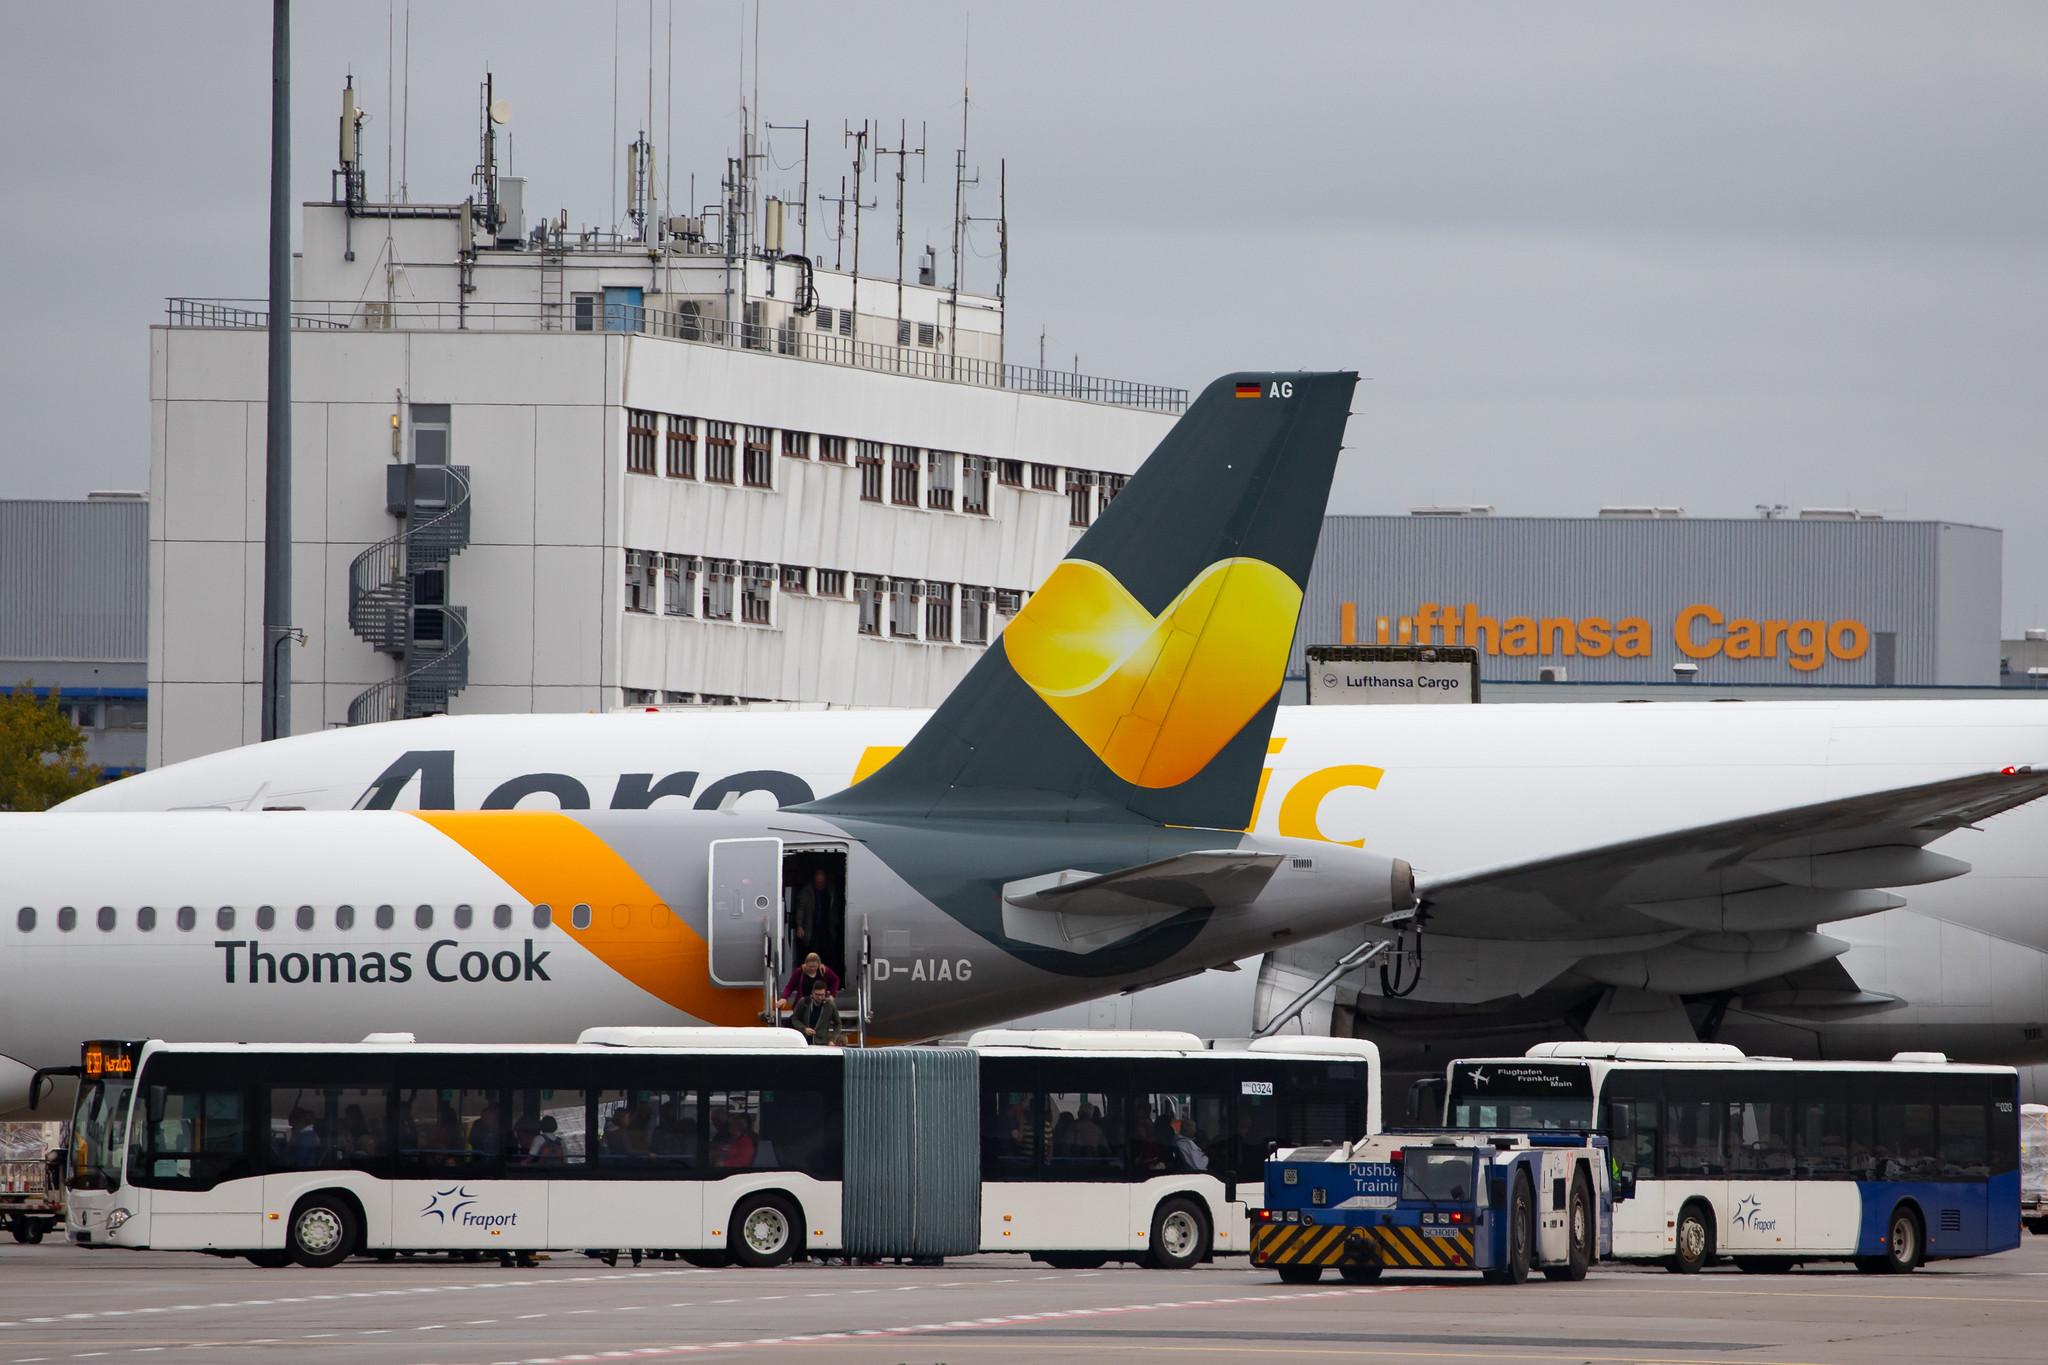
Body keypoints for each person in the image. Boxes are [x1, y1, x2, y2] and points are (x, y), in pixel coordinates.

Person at [790, 867, 837, 959]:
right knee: (812, 952)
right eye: (818, 881)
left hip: (827, 928)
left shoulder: (831, 891)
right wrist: (799, 926)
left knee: (827, 952)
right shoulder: (806, 892)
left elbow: (834, 909)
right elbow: (801, 909)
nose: (820, 883)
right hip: (811, 927)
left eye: (822, 881)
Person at [788, 977, 842, 1045]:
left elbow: (838, 1024)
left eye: (822, 995)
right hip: (804, 1041)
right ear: (812, 992)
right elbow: (794, 1018)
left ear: (825, 993)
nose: (819, 997)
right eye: (817, 995)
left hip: (821, 1042)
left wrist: (833, 1039)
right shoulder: (804, 1002)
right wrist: (804, 1029)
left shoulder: (830, 1005)